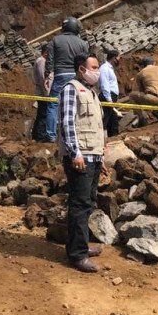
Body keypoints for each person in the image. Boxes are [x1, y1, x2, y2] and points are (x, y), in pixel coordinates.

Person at [59, 53, 107, 273]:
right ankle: (77, 255)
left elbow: (96, 128)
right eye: (94, 67)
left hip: (93, 156)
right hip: (80, 157)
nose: (97, 71)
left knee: (87, 203)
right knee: (79, 205)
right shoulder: (71, 89)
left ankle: (81, 245)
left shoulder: (92, 93)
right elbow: (68, 124)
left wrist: (100, 158)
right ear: (81, 69)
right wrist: (75, 153)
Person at [44, 17, 89, 142]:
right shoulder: (82, 43)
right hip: (76, 76)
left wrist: (47, 75)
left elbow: (50, 60)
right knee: (76, 104)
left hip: (60, 76)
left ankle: (51, 136)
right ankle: (76, 134)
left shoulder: (55, 40)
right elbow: (86, 60)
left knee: (53, 104)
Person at [31, 43, 52, 141]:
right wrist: (47, 93)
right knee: (43, 115)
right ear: (46, 53)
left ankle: (36, 135)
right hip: (43, 93)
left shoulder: (43, 61)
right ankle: (40, 136)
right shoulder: (42, 62)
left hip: (44, 93)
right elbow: (43, 79)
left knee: (41, 114)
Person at [99, 49, 122, 137]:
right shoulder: (104, 68)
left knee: (113, 120)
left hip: (111, 96)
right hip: (108, 96)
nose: (119, 60)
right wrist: (109, 100)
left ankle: (114, 138)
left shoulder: (110, 68)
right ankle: (101, 139)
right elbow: (105, 85)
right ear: (114, 58)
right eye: (119, 58)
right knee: (106, 119)